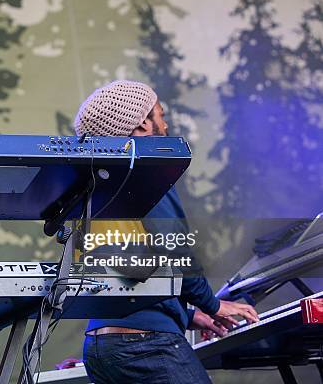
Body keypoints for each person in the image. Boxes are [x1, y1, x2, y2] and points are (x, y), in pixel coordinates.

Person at [75, 80, 259, 383]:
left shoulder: (99, 185)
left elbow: (125, 272)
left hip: (100, 345)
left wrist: (188, 315)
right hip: (145, 344)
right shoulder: (147, 171)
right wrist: (212, 304)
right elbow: (174, 250)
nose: (166, 122)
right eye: (161, 113)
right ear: (143, 124)